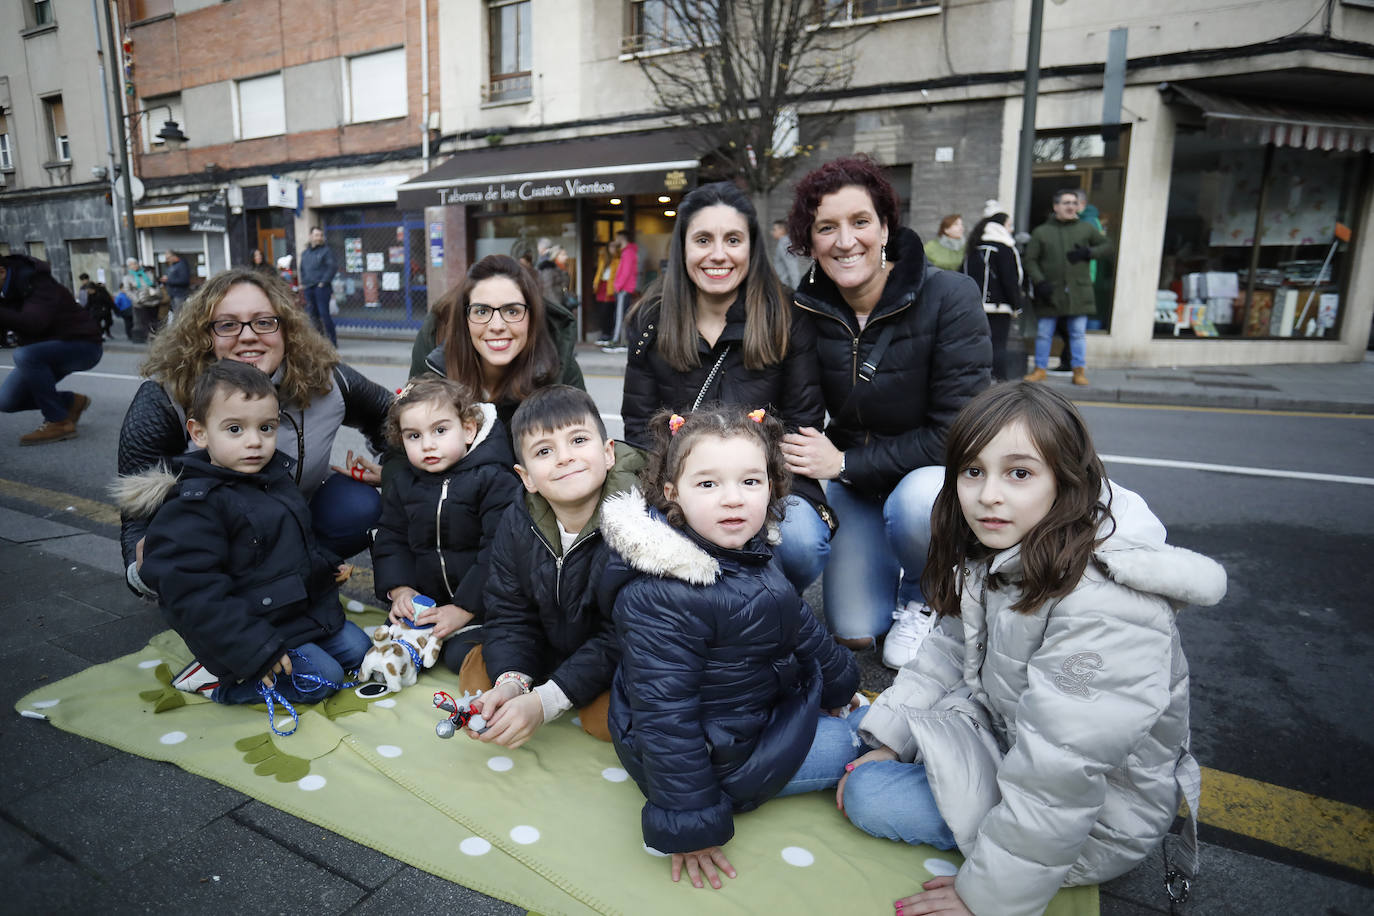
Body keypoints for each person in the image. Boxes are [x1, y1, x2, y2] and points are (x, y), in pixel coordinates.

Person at [837, 382, 1226, 916]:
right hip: (1001, 737)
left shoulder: (1106, 605)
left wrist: (987, 898)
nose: (989, 494)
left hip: (1098, 821)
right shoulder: (1001, 549)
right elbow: (945, 656)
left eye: (1019, 473)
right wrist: (891, 739)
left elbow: (1058, 776)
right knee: (850, 746)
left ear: (1066, 480)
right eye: (973, 471)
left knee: (868, 795)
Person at [600, 405, 863, 889]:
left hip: (745, 712)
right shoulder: (661, 592)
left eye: (750, 481)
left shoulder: (748, 547)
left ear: (773, 485)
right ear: (671, 492)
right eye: (708, 484)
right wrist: (692, 823)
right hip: (712, 758)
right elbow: (665, 715)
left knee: (869, 717)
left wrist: (843, 685)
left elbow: (800, 626)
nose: (732, 500)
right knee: (866, 739)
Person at [781, 155, 991, 668]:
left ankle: (925, 593)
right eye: (826, 227)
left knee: (917, 502)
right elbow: (801, 414)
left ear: (885, 227)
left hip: (927, 477)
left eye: (860, 222)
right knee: (854, 632)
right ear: (810, 242)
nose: (845, 241)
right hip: (856, 484)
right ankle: (885, 570)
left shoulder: (951, 296)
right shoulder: (804, 309)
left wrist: (843, 466)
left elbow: (957, 432)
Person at [118, 267, 393, 599]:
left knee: (361, 504)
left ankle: (304, 575)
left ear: (286, 329)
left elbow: (393, 416)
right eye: (228, 324)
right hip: (216, 544)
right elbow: (137, 514)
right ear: (204, 335)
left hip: (291, 523)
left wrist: (392, 469)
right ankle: (229, 596)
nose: (248, 336)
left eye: (264, 322)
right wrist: (150, 574)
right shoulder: (164, 396)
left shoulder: (328, 380)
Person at [122, 359, 371, 705]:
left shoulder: (273, 477)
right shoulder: (195, 506)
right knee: (321, 680)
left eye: (266, 428)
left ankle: (290, 655)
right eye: (235, 429)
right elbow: (195, 595)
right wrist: (256, 649)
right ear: (199, 433)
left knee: (360, 652)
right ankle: (215, 681)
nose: (254, 442)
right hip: (248, 629)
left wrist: (324, 563)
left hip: (293, 612)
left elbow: (292, 541)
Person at [620, 181, 827, 592]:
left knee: (802, 540)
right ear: (682, 248)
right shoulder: (651, 320)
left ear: (751, 247)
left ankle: (778, 603)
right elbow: (640, 429)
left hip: (769, 479)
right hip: (681, 481)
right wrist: (686, 493)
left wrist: (750, 489)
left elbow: (801, 426)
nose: (718, 254)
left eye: (733, 239)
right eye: (703, 239)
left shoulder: (788, 317)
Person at [460, 385, 645, 747]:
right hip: (551, 641)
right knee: (484, 690)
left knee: (609, 722)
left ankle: (560, 690)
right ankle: (526, 683)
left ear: (608, 453)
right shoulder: (517, 521)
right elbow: (509, 611)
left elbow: (624, 633)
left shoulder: (637, 522)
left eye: (578, 440)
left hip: (619, 651)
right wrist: (512, 682)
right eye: (544, 451)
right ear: (526, 476)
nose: (564, 458)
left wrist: (547, 701)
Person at [371, 374, 522, 673]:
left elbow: (499, 551)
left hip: (485, 604)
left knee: (458, 656)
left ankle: (496, 655)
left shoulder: (493, 478)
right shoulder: (404, 482)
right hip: (430, 601)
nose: (428, 445)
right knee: (386, 641)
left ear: (468, 429)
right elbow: (392, 538)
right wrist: (400, 589)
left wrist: (466, 608)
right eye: (413, 436)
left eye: (440, 430)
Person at [409, 254, 584, 439]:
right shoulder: (433, 345)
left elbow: (586, 446)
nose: (497, 326)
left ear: (532, 317)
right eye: (482, 311)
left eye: (512, 311)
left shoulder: (560, 364)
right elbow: (404, 446)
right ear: (464, 319)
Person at [0, 254, 103, 445]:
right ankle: (71, 402)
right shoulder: (7, 292)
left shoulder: (37, 283)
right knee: (5, 400)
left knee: (24, 355)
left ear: (2, 271)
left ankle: (58, 422)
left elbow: (34, 323)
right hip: (43, 353)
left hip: (84, 346)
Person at [1024, 189, 1111, 386]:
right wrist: (1040, 281)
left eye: (1074, 203)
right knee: (1044, 333)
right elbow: (1030, 260)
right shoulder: (1041, 232)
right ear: (1056, 207)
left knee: (1077, 334)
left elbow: (1107, 246)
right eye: (1066, 203)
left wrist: (1089, 252)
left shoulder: (1086, 229)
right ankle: (1040, 369)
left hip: (1078, 292)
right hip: (1050, 292)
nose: (1071, 206)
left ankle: (1078, 371)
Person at [962, 210, 1024, 381]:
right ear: (1001, 226)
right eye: (1009, 225)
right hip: (999, 307)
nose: (1011, 230)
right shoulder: (1004, 248)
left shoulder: (974, 246)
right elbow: (1010, 280)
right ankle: (1000, 381)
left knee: (975, 345)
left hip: (973, 306)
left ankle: (976, 379)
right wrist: (1016, 305)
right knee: (997, 345)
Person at [299, 227, 338, 345]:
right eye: (316, 235)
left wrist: (323, 282)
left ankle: (332, 341)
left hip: (321, 288)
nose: (319, 238)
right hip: (309, 287)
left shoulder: (326, 251)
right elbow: (302, 269)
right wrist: (304, 283)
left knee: (324, 314)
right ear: (310, 236)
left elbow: (332, 267)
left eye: (320, 235)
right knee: (312, 316)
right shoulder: (305, 253)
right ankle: (319, 342)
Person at [606, 229, 638, 351]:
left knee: (620, 315)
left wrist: (618, 286)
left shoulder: (628, 253)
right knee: (622, 315)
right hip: (625, 287)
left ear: (621, 238)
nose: (615, 241)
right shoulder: (627, 252)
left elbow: (626, 272)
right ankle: (621, 341)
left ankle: (618, 341)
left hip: (624, 289)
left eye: (617, 238)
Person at [121, 257, 158, 342]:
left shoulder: (147, 273)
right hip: (139, 303)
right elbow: (127, 291)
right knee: (143, 321)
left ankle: (155, 335)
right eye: (131, 265)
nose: (134, 266)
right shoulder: (127, 277)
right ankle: (149, 337)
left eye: (135, 263)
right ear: (128, 266)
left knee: (154, 320)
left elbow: (154, 285)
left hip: (152, 300)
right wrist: (136, 299)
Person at [593, 239, 621, 347]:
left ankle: (608, 334)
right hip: (602, 286)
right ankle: (604, 333)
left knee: (609, 311)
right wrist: (595, 283)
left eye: (614, 247)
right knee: (602, 311)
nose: (612, 249)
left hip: (611, 287)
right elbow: (599, 273)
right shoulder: (603, 259)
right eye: (610, 246)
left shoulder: (618, 260)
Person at [770, 219, 805, 289]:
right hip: (781, 285)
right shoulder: (783, 242)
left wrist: (797, 290)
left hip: (785, 286)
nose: (771, 232)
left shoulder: (785, 243)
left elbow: (792, 266)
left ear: (782, 230)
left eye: (774, 229)